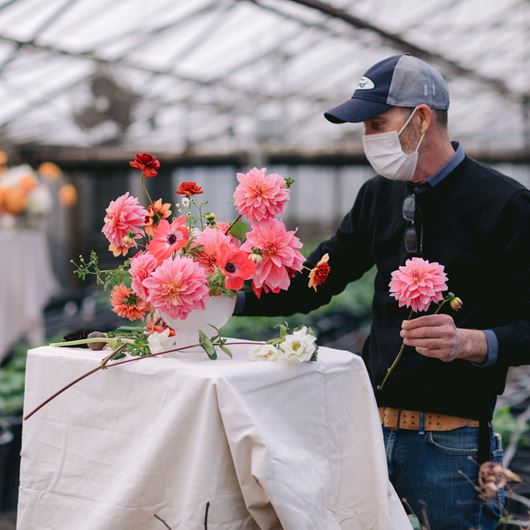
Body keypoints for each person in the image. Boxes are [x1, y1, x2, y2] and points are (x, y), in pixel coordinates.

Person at [234, 54, 530, 529]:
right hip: (369, 433)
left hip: (450, 446)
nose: (369, 138)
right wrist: (225, 295)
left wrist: (471, 342)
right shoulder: (379, 196)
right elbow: (316, 281)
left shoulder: (505, 204)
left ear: (422, 118)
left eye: (377, 123)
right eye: (365, 127)